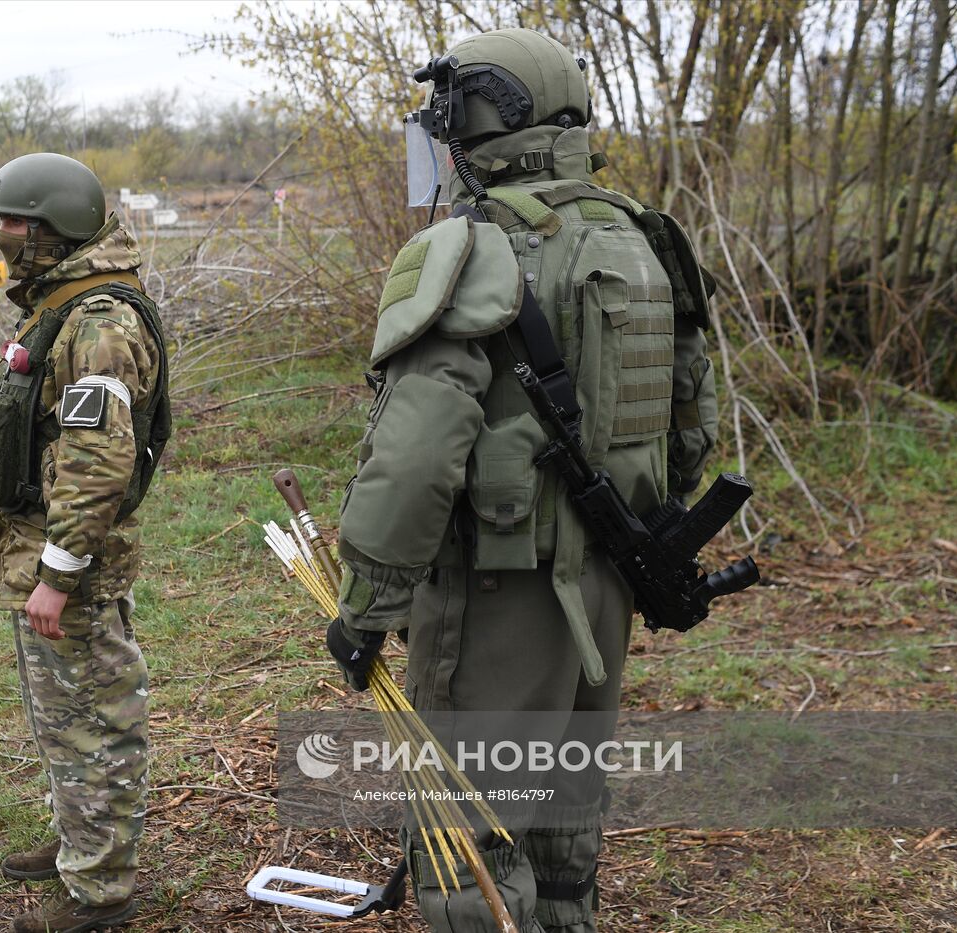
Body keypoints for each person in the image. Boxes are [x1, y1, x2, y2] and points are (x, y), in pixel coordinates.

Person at [328, 28, 719, 933]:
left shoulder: (468, 248)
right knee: (564, 788)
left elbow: (417, 454)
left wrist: (366, 605)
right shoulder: (643, 239)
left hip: (497, 587)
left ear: (473, 116)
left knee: (470, 810)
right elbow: (692, 429)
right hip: (611, 577)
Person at [0, 152, 170, 933]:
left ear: (52, 228)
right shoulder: (65, 303)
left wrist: (58, 571)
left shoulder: (99, 325)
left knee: (95, 716)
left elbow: (97, 457)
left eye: (11, 222)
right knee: (62, 713)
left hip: (69, 562)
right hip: (39, 548)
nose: (1, 237)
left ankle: (102, 889)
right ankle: (79, 843)